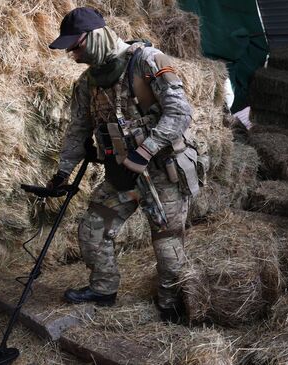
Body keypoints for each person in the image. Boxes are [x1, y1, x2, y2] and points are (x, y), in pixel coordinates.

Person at [47, 7, 200, 323]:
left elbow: (180, 114)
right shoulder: (87, 83)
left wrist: (146, 150)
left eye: (76, 46)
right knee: (91, 229)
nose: (72, 55)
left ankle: (169, 303)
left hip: (163, 171)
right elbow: (78, 128)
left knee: (168, 246)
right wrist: (63, 172)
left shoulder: (148, 62)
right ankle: (103, 289)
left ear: (95, 36)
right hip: (123, 174)